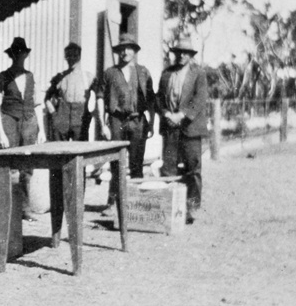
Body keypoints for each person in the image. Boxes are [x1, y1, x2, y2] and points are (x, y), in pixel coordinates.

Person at [98, 33, 156, 216]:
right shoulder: (109, 73)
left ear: (134, 51)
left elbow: (151, 99)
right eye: (121, 49)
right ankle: (112, 203)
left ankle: (137, 203)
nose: (125, 52)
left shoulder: (143, 72)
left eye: (128, 48)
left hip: (138, 121)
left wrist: (152, 122)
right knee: (116, 164)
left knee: (137, 163)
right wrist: (102, 124)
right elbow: (100, 98)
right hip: (117, 121)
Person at [0, 37, 47, 220]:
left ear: (26, 54)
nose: (18, 56)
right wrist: (1, 133)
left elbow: (38, 105)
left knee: (27, 167)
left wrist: (42, 131)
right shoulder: (3, 77)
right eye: (15, 53)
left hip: (29, 123)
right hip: (9, 122)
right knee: (11, 167)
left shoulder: (31, 76)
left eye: (21, 53)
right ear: (11, 55)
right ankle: (10, 210)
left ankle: (25, 208)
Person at [157, 36, 208, 224]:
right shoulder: (166, 74)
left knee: (192, 169)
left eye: (185, 53)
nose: (181, 56)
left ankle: (192, 207)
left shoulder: (198, 73)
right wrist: (166, 114)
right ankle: (171, 208)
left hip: (190, 129)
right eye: (178, 52)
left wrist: (182, 115)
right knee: (169, 168)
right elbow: (159, 99)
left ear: (190, 55)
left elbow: (200, 98)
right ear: (174, 54)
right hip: (170, 128)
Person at [44, 42, 100, 142]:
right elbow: (47, 98)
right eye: (69, 56)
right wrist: (54, 115)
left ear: (80, 56)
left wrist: (91, 113)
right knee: (59, 152)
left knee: (79, 151)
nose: (72, 58)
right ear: (65, 57)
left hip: (80, 117)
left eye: (75, 55)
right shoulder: (59, 77)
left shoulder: (88, 77)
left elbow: (99, 96)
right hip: (62, 117)